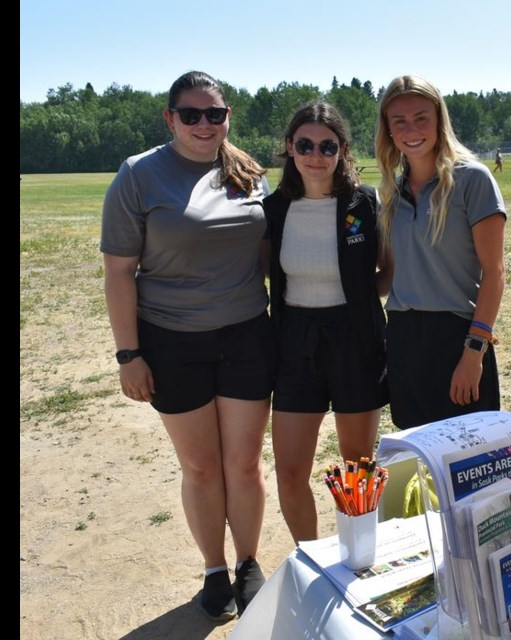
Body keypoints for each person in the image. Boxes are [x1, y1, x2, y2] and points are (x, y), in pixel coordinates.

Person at [100, 71, 272, 622]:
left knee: (243, 465)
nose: (205, 124)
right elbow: (119, 272)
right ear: (170, 118)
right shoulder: (139, 175)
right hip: (172, 342)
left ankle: (248, 564)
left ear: (228, 118)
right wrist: (130, 355)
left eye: (215, 114)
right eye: (191, 114)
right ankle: (213, 569)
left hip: (247, 335)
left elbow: (271, 254)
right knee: (200, 468)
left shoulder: (247, 172)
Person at [264, 102, 391, 543]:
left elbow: (386, 270)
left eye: (327, 145)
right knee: (290, 470)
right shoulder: (274, 208)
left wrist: (356, 298)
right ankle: (312, 557)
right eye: (304, 144)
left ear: (342, 150)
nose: (315, 155)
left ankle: (358, 551)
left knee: (358, 465)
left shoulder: (365, 202)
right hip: (295, 343)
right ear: (289, 149)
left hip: (355, 338)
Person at [375, 75, 507, 430]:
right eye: (398, 121)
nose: (411, 129)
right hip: (403, 338)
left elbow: (494, 274)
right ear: (387, 130)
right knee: (420, 456)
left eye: (421, 118)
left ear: (439, 121)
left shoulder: (472, 180)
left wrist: (473, 353)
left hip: (458, 337)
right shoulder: (390, 193)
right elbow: (390, 276)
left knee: (471, 460)